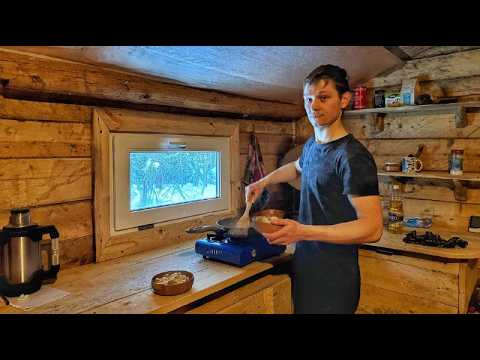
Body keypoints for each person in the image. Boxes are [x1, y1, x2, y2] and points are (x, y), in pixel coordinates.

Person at [246, 64, 383, 314]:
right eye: (308, 99)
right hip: (306, 266)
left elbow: (372, 228)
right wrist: (262, 182)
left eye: (323, 97)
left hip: (335, 277)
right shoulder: (312, 145)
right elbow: (297, 168)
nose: (313, 106)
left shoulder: (352, 157)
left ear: (344, 100)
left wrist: (302, 231)